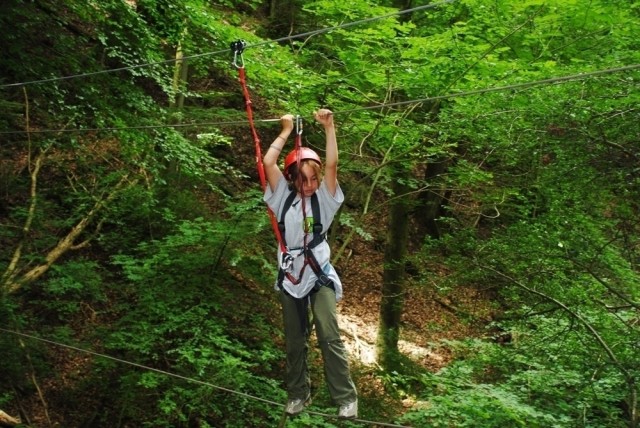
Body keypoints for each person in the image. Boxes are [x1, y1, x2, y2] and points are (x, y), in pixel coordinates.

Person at [263, 109, 358, 419]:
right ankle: (297, 394)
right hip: (291, 277)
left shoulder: (325, 199)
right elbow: (268, 163)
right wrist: (286, 130)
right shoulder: (282, 197)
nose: (310, 184)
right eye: (303, 179)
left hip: (319, 276)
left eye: (314, 178)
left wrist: (329, 127)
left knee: (328, 335)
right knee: (294, 341)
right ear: (292, 178)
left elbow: (332, 164)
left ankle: (345, 398)